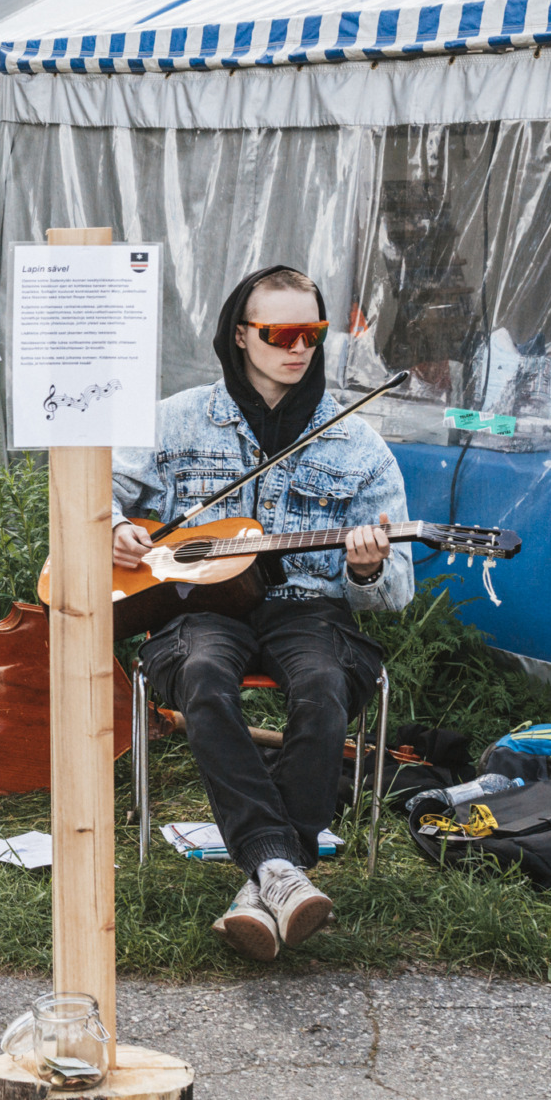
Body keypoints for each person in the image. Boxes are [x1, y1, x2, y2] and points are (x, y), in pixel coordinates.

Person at [114, 265, 409, 961]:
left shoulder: (356, 442)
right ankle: (282, 869)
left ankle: (266, 874)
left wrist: (365, 567)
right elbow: (97, 490)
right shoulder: (176, 418)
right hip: (200, 606)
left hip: (310, 608)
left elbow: (396, 586)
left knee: (323, 684)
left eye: (312, 332)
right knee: (202, 674)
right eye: (280, 333)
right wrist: (114, 524)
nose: (298, 347)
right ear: (241, 335)